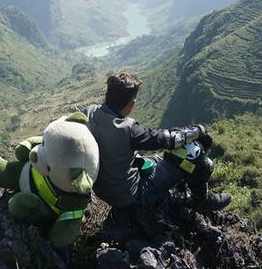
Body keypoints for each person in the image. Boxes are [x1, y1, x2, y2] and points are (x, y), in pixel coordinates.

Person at [83, 72, 231, 239]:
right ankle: (200, 202)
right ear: (132, 104)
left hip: (104, 189)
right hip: (133, 196)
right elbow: (170, 139)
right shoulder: (128, 129)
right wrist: (199, 131)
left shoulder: (88, 113)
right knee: (193, 151)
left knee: (156, 160)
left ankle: (181, 191)